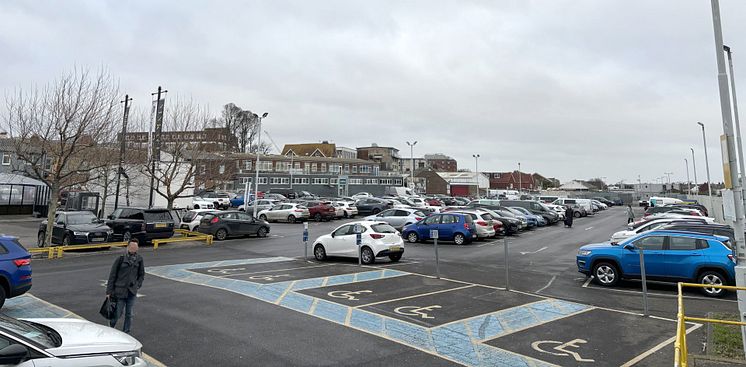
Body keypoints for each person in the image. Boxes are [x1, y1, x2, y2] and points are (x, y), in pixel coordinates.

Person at [107, 240, 144, 334]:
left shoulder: (139, 259)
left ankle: (126, 332)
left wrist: (137, 285)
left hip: (131, 292)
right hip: (119, 292)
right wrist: (109, 291)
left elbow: (141, 274)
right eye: (132, 247)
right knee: (117, 313)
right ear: (128, 247)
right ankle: (111, 327)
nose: (133, 249)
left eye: (135, 247)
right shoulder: (120, 259)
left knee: (129, 314)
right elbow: (112, 275)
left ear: (137, 248)